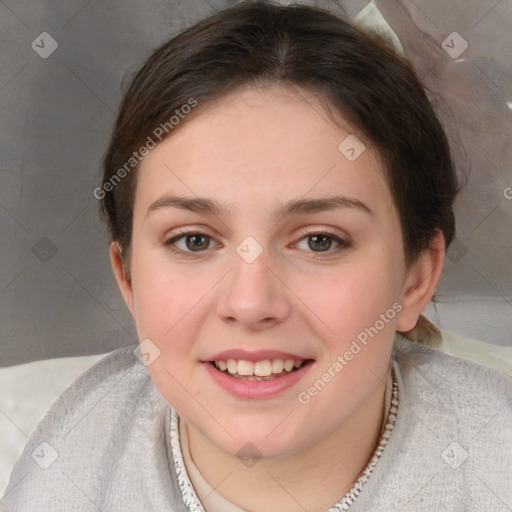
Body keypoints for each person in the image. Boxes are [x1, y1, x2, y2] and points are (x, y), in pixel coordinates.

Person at [2, 1, 511, 510]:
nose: (250, 303)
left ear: (415, 279)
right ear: (128, 279)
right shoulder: (56, 474)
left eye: (320, 240)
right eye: (194, 240)